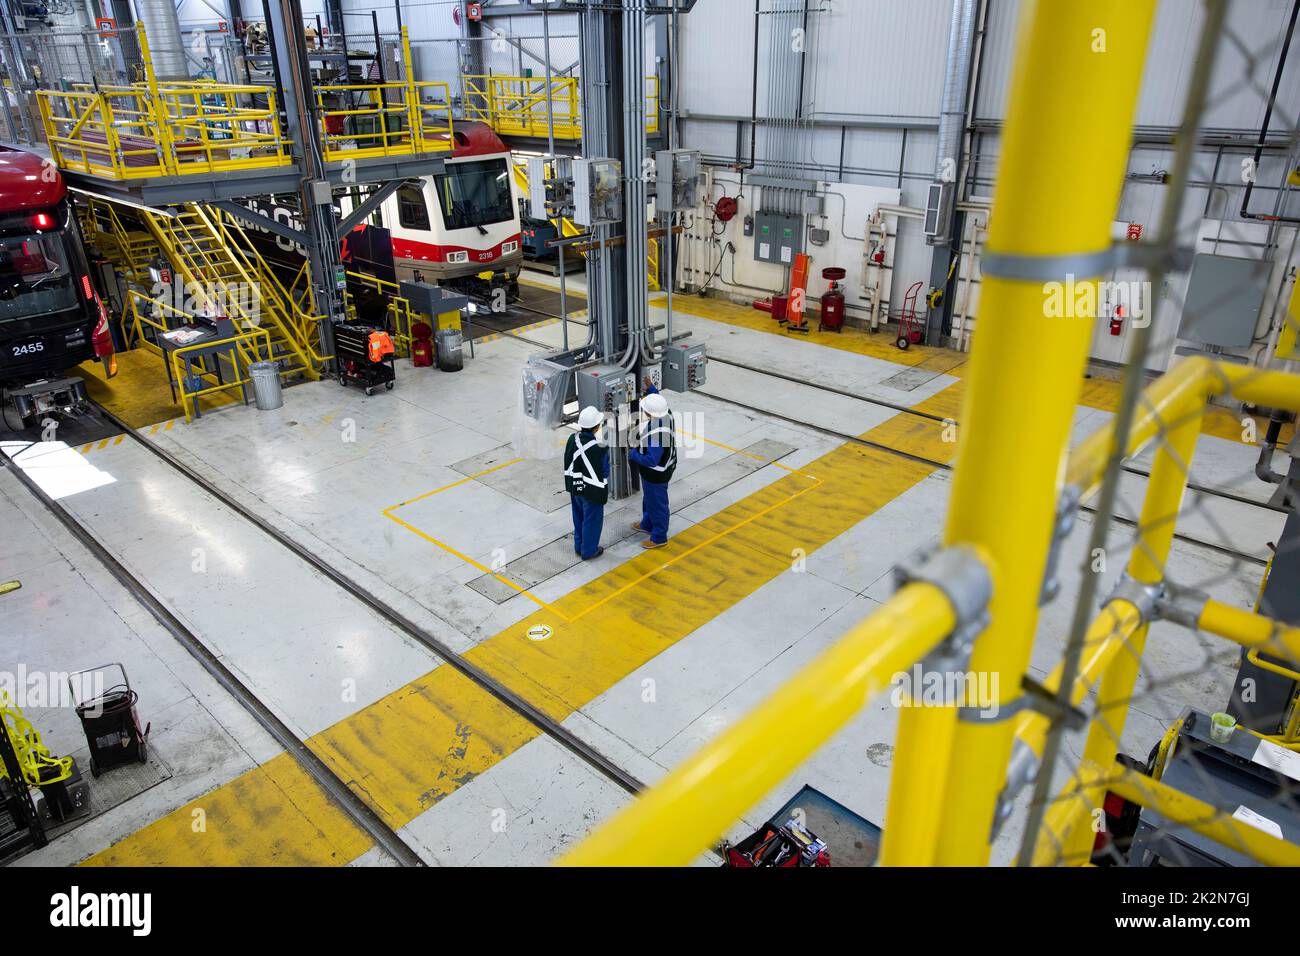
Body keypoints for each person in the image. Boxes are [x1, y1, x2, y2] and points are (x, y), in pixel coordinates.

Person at [629, 389, 676, 550]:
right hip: (658, 470)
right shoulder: (666, 414)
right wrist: (651, 389)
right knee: (649, 498)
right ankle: (647, 524)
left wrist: (633, 454)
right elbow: (659, 402)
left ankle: (659, 537)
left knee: (657, 504)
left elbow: (651, 459)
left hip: (656, 474)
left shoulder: (657, 434)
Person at [564, 406, 609, 560]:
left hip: (574, 486)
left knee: (578, 517)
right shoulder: (600, 448)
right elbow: (605, 472)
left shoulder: (572, 439)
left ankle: (579, 545)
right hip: (592, 491)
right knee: (592, 520)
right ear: (596, 427)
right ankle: (589, 551)